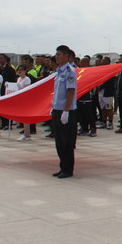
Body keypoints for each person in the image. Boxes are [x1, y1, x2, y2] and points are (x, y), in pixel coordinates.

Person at [50, 46, 77, 178]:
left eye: (59, 54)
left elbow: (70, 91)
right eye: (56, 54)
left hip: (66, 111)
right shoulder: (59, 71)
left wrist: (66, 111)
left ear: (67, 56)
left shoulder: (69, 71)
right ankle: (62, 167)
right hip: (57, 109)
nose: (57, 57)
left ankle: (68, 169)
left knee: (67, 142)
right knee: (59, 142)